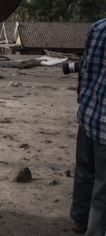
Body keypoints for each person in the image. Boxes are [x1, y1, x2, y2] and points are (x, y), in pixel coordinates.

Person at [70, 17, 106, 235]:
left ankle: (80, 220)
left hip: (88, 117)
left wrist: (84, 103)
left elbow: (84, 70)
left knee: (84, 171)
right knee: (103, 187)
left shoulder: (99, 27)